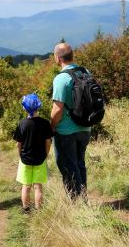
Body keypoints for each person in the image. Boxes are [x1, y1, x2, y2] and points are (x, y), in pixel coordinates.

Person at [50, 42, 91, 199]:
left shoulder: (61, 79)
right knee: (80, 164)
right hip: (85, 128)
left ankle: (75, 205)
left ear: (58, 58)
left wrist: (51, 127)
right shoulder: (85, 72)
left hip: (66, 131)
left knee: (68, 166)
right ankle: (83, 198)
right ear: (72, 56)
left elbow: (57, 109)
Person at [13, 93, 53, 213]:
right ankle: (38, 210)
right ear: (38, 107)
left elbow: (18, 144)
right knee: (38, 186)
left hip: (25, 159)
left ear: (24, 108)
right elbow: (48, 142)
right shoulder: (45, 123)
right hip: (40, 159)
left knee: (26, 186)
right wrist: (46, 154)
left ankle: (26, 209)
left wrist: (21, 156)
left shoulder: (22, 124)